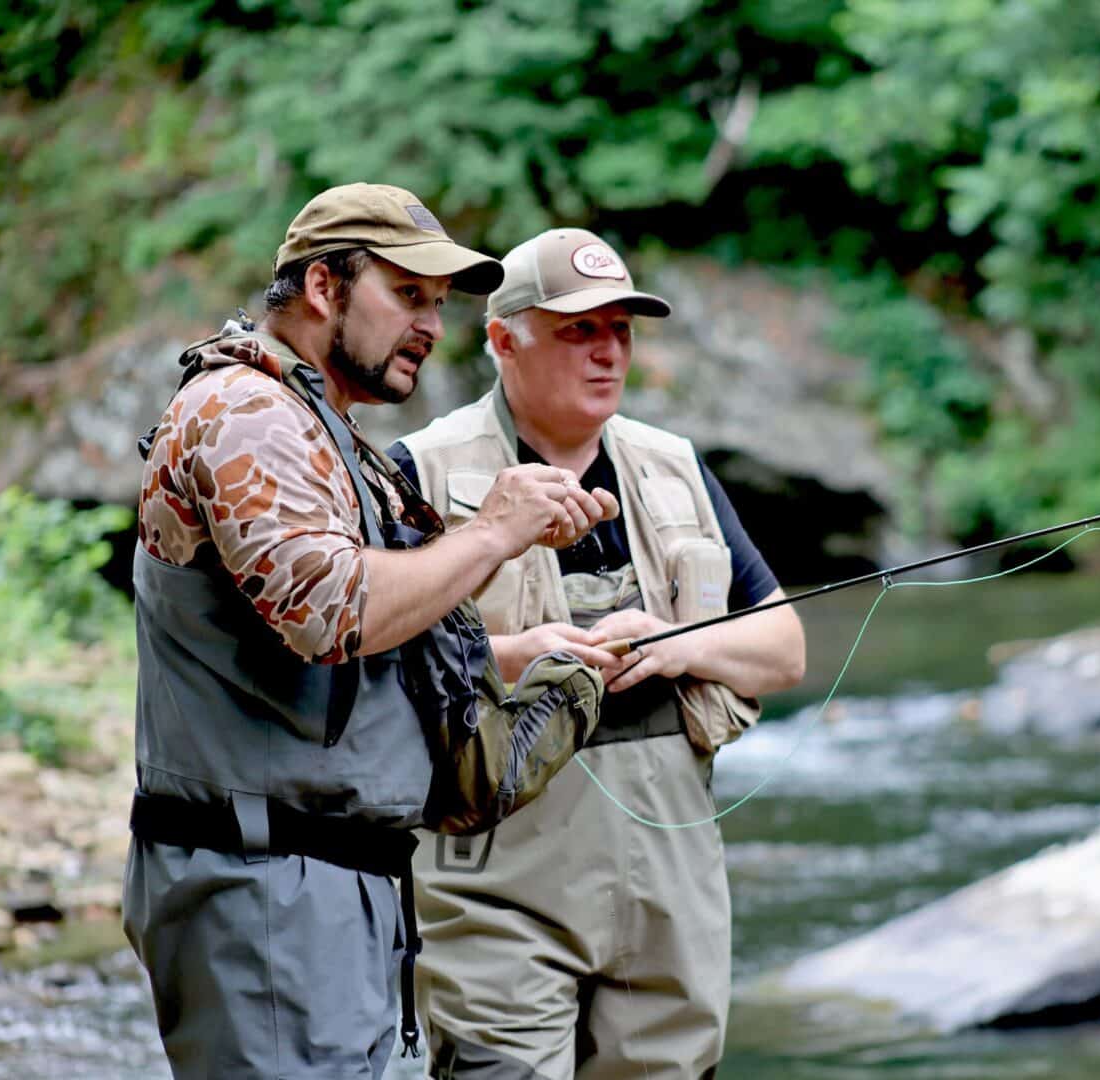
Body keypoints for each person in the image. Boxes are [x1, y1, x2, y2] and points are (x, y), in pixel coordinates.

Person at [123, 184, 619, 1079]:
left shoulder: (317, 424)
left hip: (318, 886)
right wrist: (492, 532)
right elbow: (329, 613)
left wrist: (516, 654)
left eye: (438, 303)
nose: (432, 325)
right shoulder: (244, 412)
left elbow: (326, 654)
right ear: (323, 287)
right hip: (265, 889)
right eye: (409, 295)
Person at [392, 228, 808, 1079]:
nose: (607, 353)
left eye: (620, 330)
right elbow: (369, 663)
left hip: (671, 885)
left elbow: (785, 648)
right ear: (502, 340)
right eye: (578, 330)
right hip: (495, 882)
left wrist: (680, 642)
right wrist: (523, 655)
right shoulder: (419, 471)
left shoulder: (675, 466)